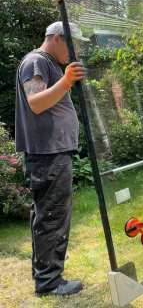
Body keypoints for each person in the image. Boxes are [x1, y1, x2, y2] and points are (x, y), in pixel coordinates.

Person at [15, 21, 88, 296]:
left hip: (50, 153)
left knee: (46, 215)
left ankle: (46, 266)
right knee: (53, 217)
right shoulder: (37, 60)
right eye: (72, 44)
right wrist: (67, 81)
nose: (75, 51)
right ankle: (48, 281)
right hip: (48, 154)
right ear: (57, 38)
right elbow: (36, 102)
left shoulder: (47, 63)